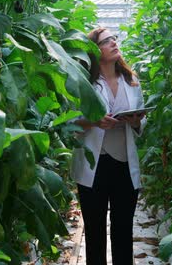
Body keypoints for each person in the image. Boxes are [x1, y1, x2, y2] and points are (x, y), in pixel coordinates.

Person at [71, 27, 147, 265]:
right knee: (94, 234)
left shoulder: (131, 81)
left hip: (125, 166)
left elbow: (142, 121)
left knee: (123, 231)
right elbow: (70, 122)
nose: (114, 43)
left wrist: (136, 122)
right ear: (94, 50)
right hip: (94, 167)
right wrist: (94, 121)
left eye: (114, 38)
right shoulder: (85, 84)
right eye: (106, 41)